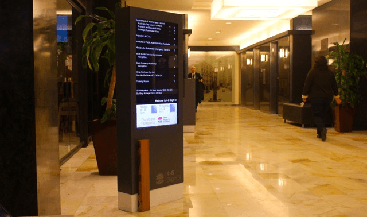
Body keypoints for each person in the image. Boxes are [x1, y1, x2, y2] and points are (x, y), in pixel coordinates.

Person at [302, 56, 342, 141]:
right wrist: (337, 96)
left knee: (316, 115)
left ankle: (322, 129)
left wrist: (304, 95)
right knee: (323, 115)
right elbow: (334, 86)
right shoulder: (330, 73)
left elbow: (307, 84)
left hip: (316, 97)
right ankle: (320, 133)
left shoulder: (312, 72)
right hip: (328, 98)